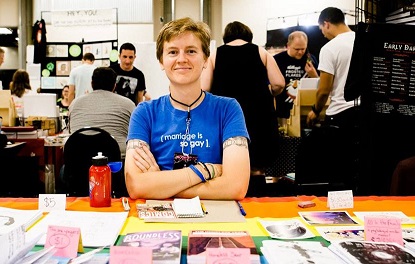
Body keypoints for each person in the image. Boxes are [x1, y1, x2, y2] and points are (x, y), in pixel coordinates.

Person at [125, 17, 250, 200]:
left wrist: (159, 183)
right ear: (161, 61)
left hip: (216, 220)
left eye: (191, 51)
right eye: (173, 52)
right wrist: (206, 170)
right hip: (159, 222)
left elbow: (236, 186)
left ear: (205, 59)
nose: (182, 59)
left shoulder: (228, 109)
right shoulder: (144, 113)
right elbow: (136, 185)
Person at [201, 21, 285, 196]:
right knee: (257, 166)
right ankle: (259, 201)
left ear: (226, 37)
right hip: (258, 113)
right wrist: (268, 91)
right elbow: (279, 83)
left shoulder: (216, 54)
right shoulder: (261, 52)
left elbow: (205, 87)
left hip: (227, 115)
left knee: (227, 163)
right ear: (248, 35)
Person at [305, 7, 358, 190]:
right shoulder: (363, 41)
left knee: (337, 171)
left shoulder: (330, 48)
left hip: (340, 116)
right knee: (358, 169)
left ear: (326, 24)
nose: (323, 34)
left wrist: (315, 110)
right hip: (364, 114)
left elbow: (324, 89)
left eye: (321, 29)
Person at [68, 67, 136, 158]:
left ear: (91, 84)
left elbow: (71, 132)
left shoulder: (75, 104)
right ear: (114, 85)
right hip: (116, 164)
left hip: (79, 163)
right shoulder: (128, 104)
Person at [274, 31, 319, 131]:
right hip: (282, 111)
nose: (300, 52)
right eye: (297, 49)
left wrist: (314, 75)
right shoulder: (277, 60)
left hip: (305, 111)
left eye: (303, 49)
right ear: (288, 46)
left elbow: (320, 85)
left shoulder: (311, 59)